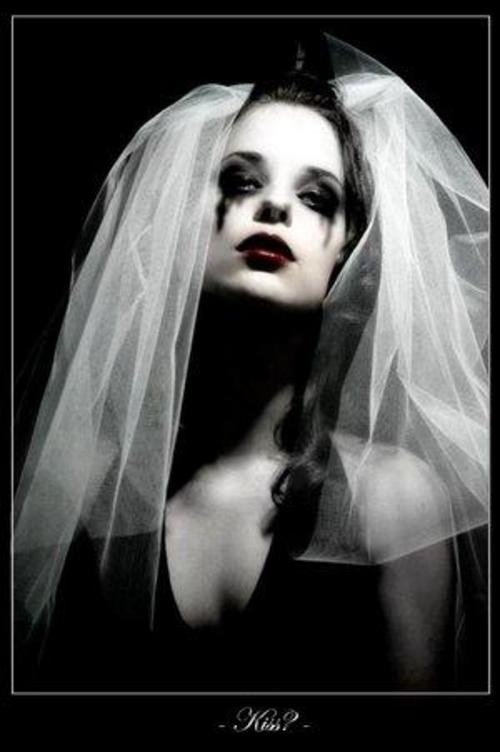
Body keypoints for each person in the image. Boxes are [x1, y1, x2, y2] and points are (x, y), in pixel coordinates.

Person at [14, 33, 488, 692]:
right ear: (186, 218)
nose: (274, 206)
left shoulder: (393, 501)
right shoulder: (89, 491)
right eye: (241, 181)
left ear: (348, 249)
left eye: (316, 197)